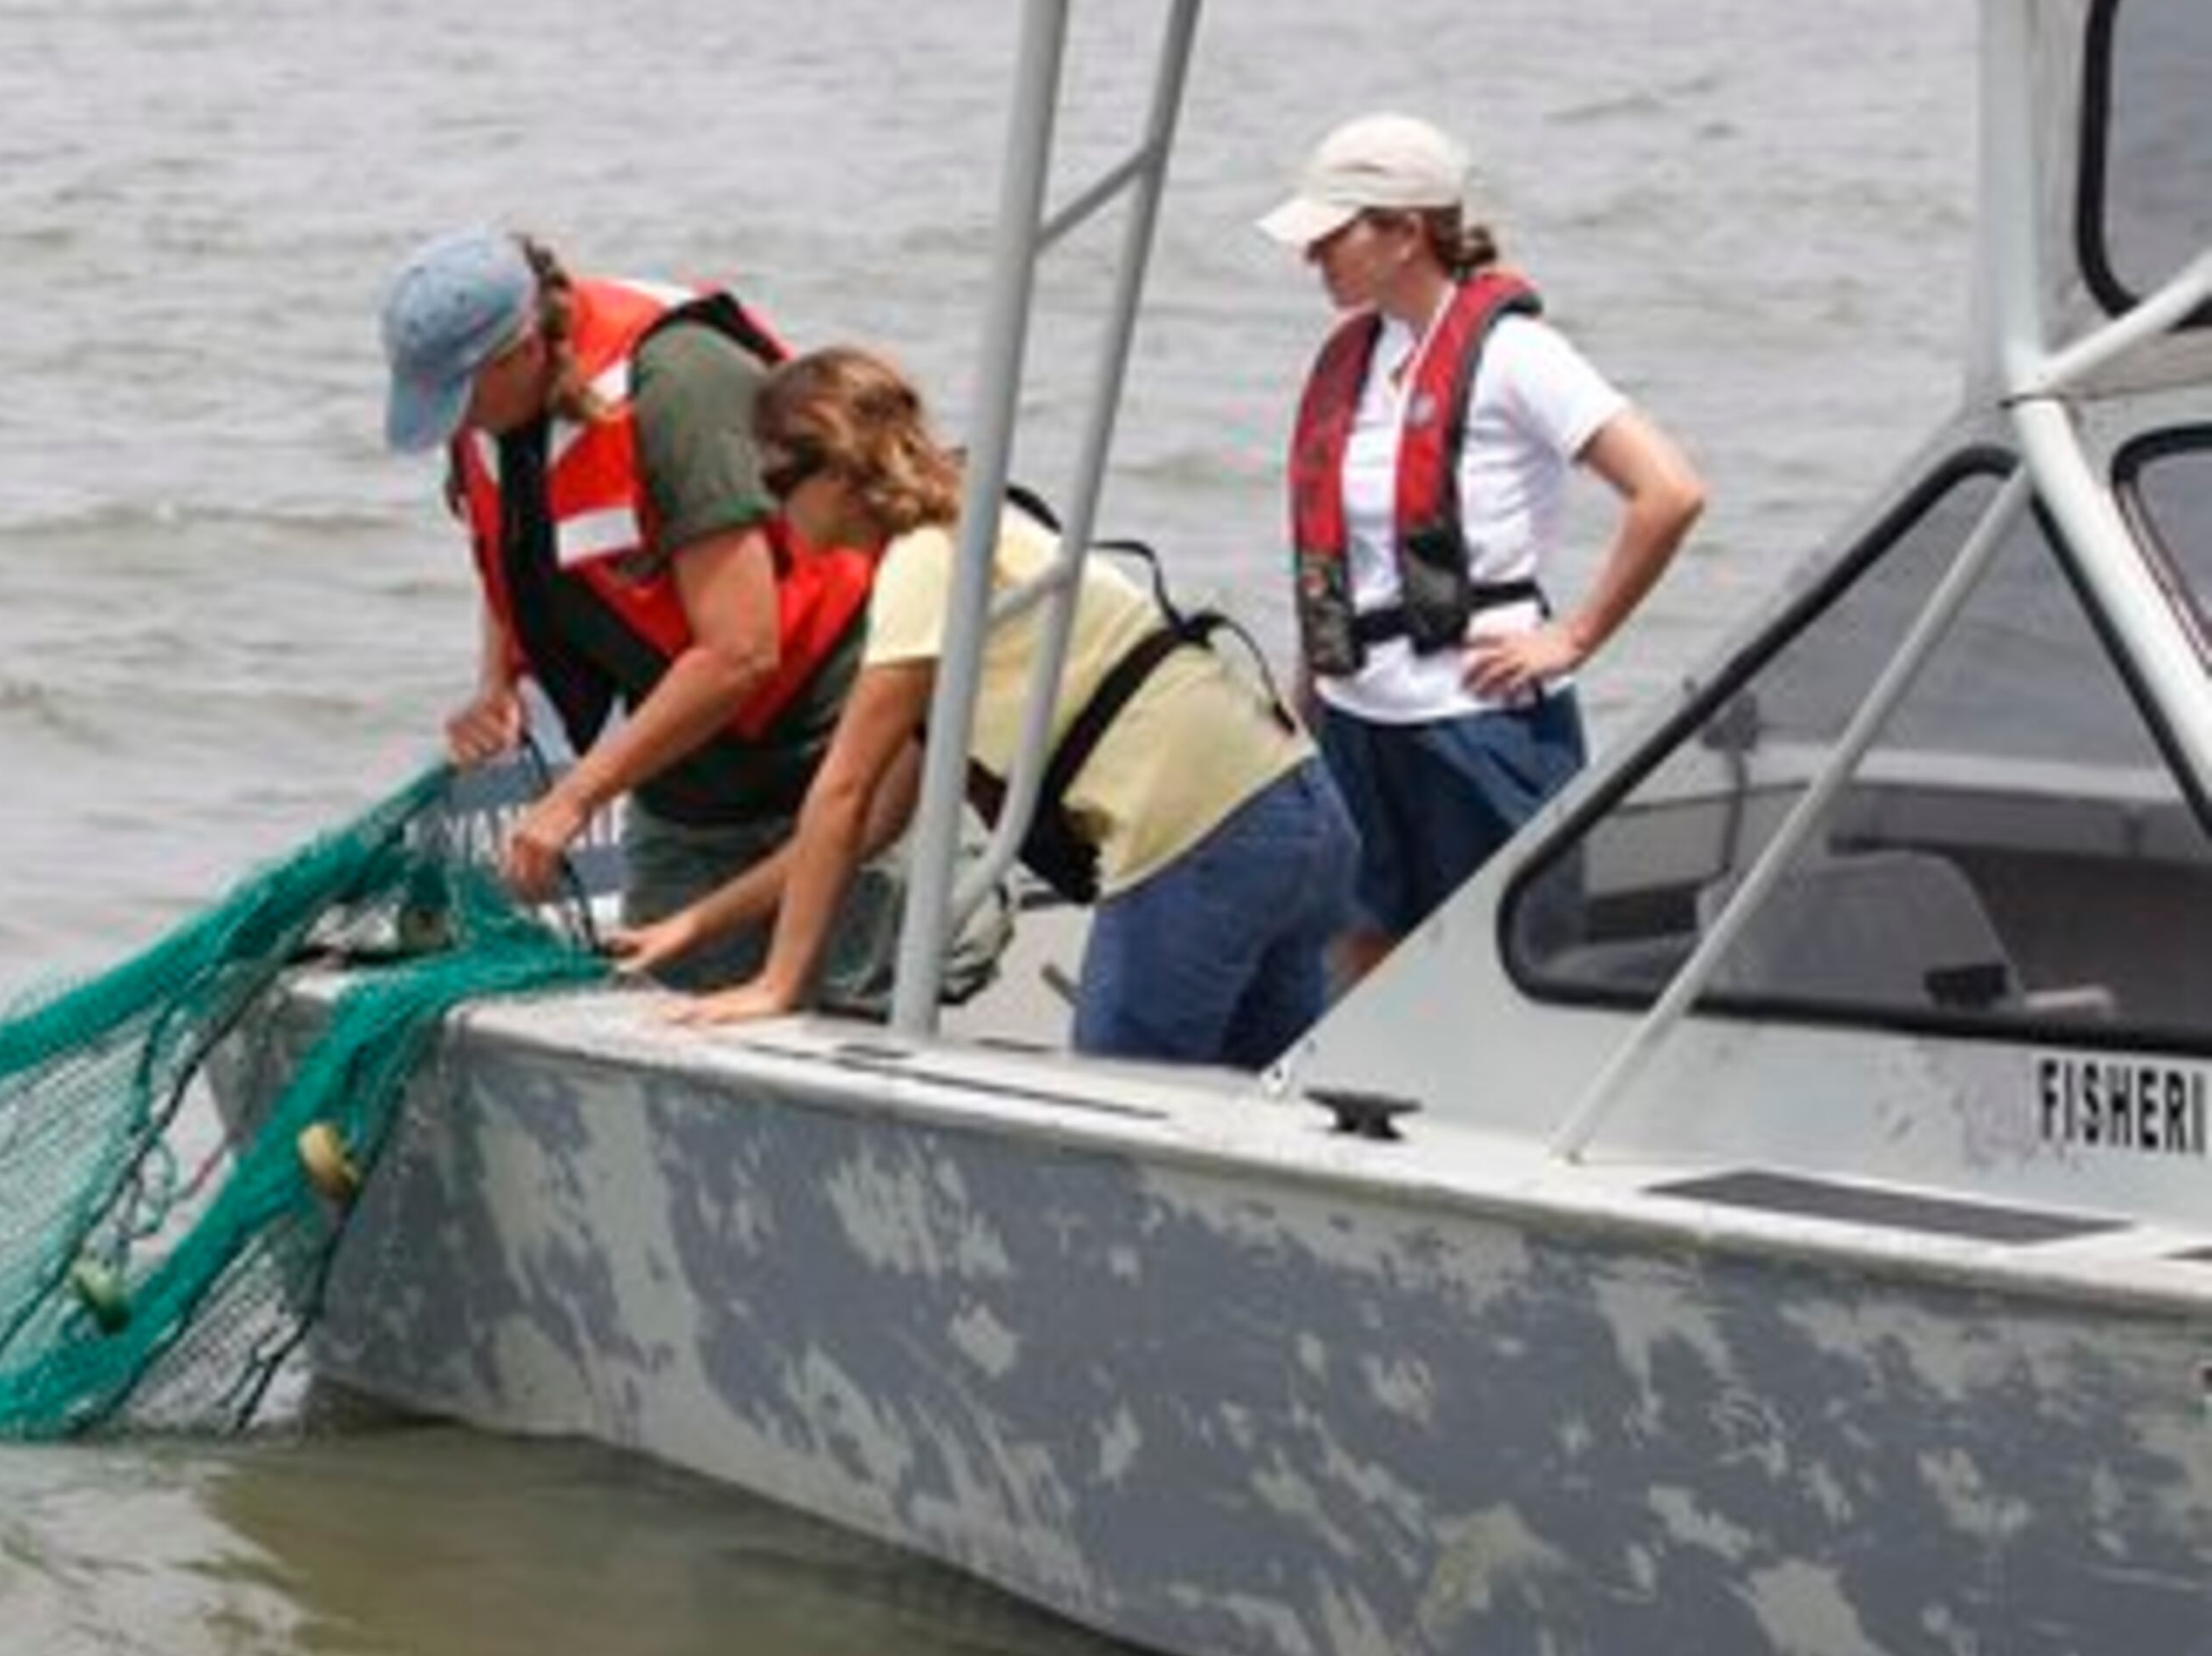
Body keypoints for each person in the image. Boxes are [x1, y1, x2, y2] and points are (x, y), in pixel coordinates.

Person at [614, 346, 1360, 1070]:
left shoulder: (920, 565)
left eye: (776, 478)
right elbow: (875, 819)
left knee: (1112, 1122)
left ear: (839, 472)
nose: (770, 508)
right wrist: (698, 921)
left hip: (1198, 835)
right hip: (1298, 803)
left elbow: (840, 792)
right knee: (1259, 1106)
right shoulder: (984, 525)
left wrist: (775, 985)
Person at [378, 229, 1005, 1007]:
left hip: (832, 756)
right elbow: (512, 543)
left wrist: (577, 797)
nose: (452, 425)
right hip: (689, 792)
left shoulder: (677, 386)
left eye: (460, 399)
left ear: (520, 351)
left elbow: (741, 650)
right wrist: (497, 680)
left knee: (872, 1001)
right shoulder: (491, 423)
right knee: (664, 1008)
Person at [1259, 112, 1706, 983]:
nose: (1312, 258)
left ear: (1406, 232)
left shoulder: (1517, 356)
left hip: (1480, 723)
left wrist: (1571, 637)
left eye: (1332, 235)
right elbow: (1351, 556)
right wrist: (1306, 693)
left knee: (1509, 957)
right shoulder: (1355, 357)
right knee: (1359, 939)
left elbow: (1669, 492)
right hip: (1360, 717)